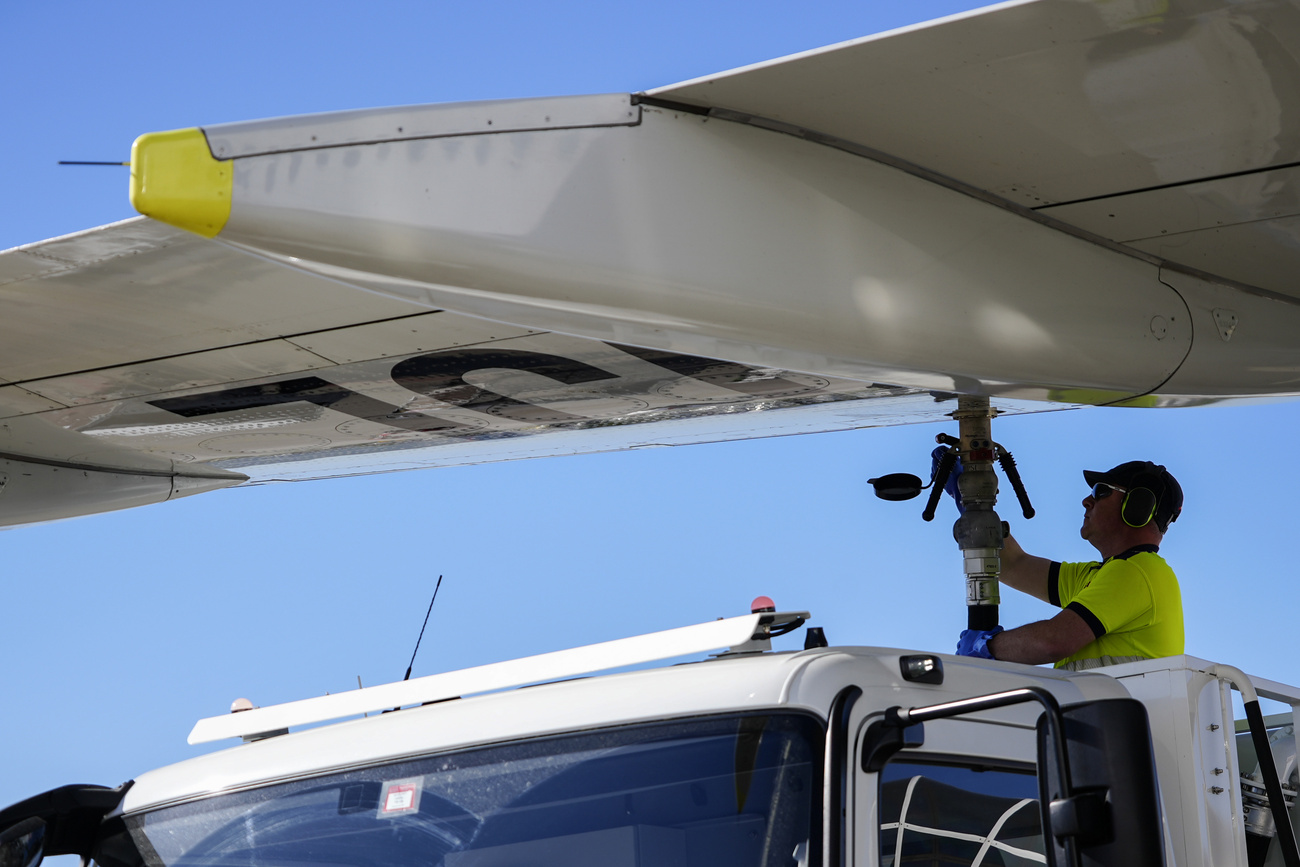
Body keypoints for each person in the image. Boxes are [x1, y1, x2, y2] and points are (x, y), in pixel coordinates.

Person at [957, 461, 1184, 670]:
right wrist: (972, 504)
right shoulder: (1100, 575)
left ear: (1137, 506)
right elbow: (1014, 565)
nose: (1087, 501)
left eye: (1100, 491)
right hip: (1095, 712)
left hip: (1109, 713)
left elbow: (1052, 641)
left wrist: (985, 647)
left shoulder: (1136, 572)